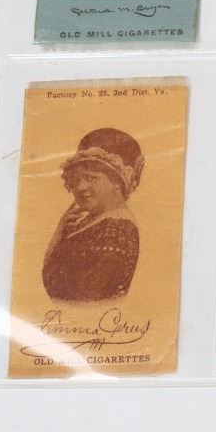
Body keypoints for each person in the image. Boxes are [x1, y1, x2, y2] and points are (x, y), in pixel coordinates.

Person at [42, 128, 144, 303]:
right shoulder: (92, 222)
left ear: (117, 182)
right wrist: (60, 230)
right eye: (76, 180)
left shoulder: (117, 230)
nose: (80, 187)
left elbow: (85, 295)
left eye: (91, 178)